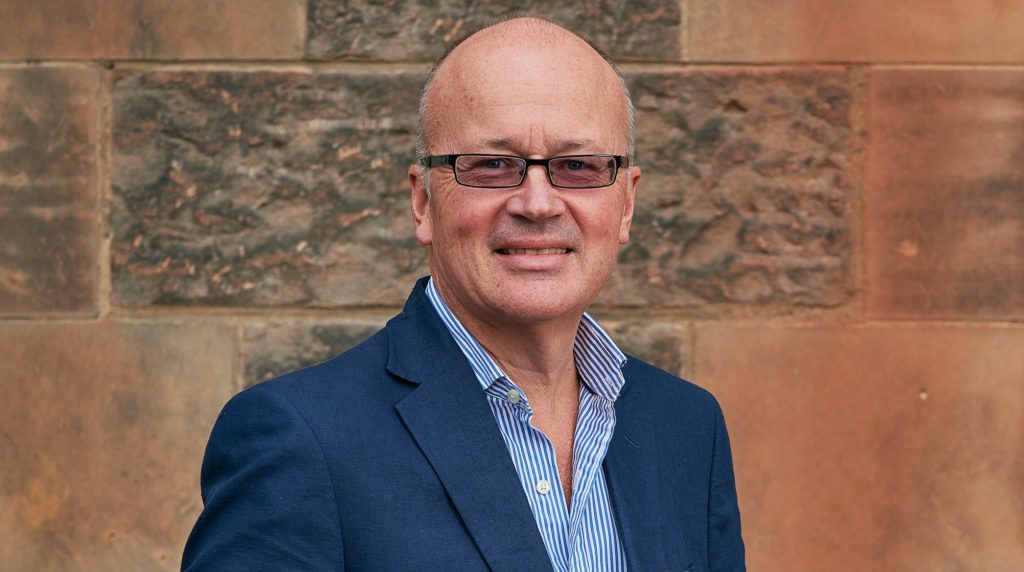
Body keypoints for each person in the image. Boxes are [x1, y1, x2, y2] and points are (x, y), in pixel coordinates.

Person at [182, 17, 744, 572]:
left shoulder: (686, 428)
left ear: (626, 203)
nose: (538, 203)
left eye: (578, 166)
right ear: (423, 201)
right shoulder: (300, 438)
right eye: (493, 166)